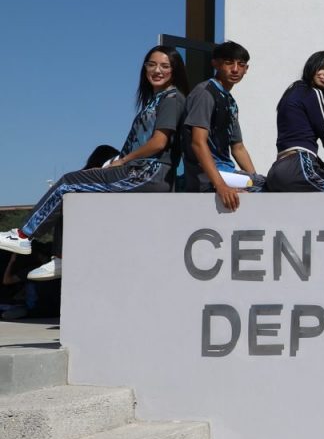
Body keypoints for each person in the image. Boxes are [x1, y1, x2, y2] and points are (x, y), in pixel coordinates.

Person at [0, 45, 189, 281]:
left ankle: (23, 235)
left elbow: (159, 142)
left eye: (164, 66)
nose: (157, 70)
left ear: (174, 70)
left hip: (148, 173)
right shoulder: (155, 100)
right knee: (73, 192)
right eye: (152, 64)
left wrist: (123, 160)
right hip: (140, 171)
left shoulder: (172, 99)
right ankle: (61, 258)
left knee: (68, 183)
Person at [183, 40, 264, 209]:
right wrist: (220, 186)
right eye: (229, 63)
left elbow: (238, 147)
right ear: (215, 64)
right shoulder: (205, 93)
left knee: (270, 186)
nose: (235, 69)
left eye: (241, 65)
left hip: (227, 174)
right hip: (206, 177)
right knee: (269, 187)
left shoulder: (230, 101)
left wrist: (254, 179)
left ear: (246, 69)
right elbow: (198, 142)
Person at [264, 51, 324, 192]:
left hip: (276, 171)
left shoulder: (293, 89)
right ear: (312, 66)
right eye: (322, 68)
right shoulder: (313, 93)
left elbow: (309, 155)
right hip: (298, 166)